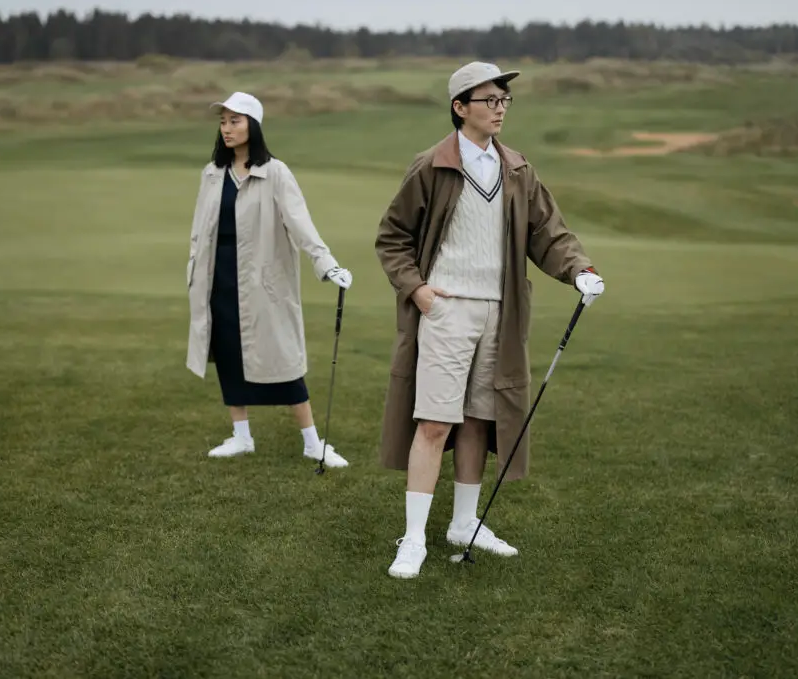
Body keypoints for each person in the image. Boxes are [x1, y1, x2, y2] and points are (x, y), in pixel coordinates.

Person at [374, 62, 605, 579]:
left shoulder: (518, 168)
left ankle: (463, 523)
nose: (499, 109)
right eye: (489, 101)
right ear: (460, 107)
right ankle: (412, 539)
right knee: (435, 422)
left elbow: (549, 233)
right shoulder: (431, 165)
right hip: (446, 309)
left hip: (500, 314)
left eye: (504, 100)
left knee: (480, 418)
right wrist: (419, 291)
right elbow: (393, 238)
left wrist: (580, 272)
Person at [186, 91, 352, 468]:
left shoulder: (275, 172)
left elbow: (300, 224)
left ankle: (312, 442)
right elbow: (200, 230)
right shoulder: (211, 174)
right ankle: (241, 436)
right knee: (229, 357)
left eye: (235, 121)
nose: (227, 128)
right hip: (218, 280)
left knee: (285, 360)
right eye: (223, 121)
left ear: (253, 126)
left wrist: (326, 264)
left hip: (263, 283)